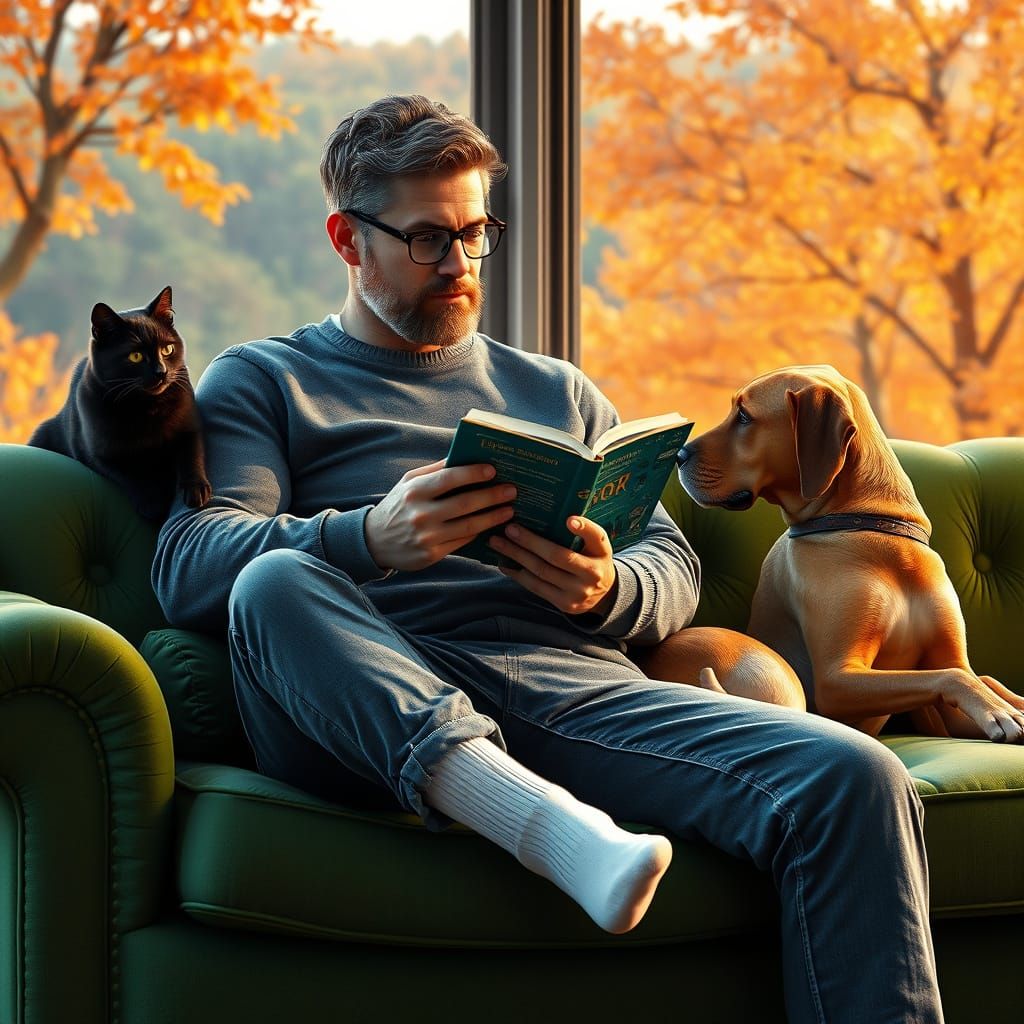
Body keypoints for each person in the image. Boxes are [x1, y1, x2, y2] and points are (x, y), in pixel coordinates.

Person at [153, 94, 944, 1022]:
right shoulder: (265, 379)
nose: (460, 265)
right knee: (274, 579)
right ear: (346, 240)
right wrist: (367, 538)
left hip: (576, 694)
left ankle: (539, 807)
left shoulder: (557, 391)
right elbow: (192, 559)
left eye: (475, 234)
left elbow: (672, 565)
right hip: (366, 699)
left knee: (857, 779)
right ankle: (539, 823)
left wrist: (608, 588)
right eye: (427, 239)